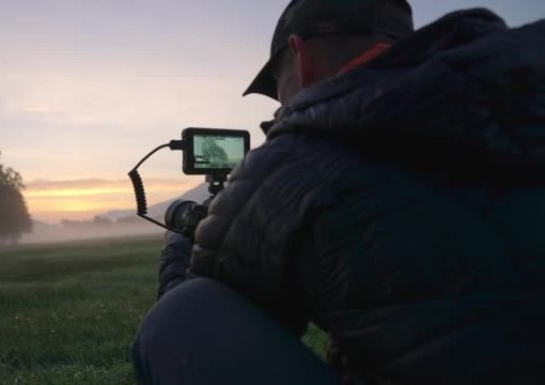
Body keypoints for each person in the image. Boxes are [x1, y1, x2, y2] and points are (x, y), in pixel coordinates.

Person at [132, 0, 545, 384]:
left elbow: (210, 323)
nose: (279, 107)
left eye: (278, 88)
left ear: (301, 56)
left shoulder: (296, 161)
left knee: (182, 317)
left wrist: (179, 246)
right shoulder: (523, 87)